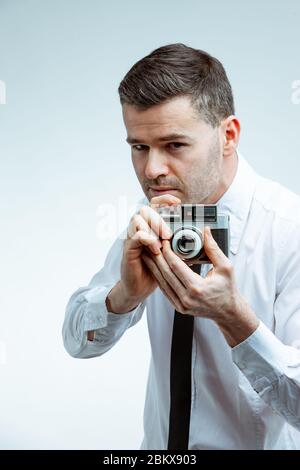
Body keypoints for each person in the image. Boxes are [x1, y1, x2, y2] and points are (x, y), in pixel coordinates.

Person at [62, 43, 300, 450]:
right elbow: (75, 342)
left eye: (174, 145)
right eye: (139, 147)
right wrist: (124, 296)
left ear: (228, 136)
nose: (152, 170)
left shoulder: (289, 230)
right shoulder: (153, 212)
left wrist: (235, 319)